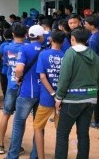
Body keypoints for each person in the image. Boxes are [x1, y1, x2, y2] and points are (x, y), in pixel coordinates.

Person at [54, 28, 99, 158]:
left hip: (72, 100)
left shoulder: (70, 53)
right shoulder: (95, 56)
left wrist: (59, 97)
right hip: (90, 99)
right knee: (83, 134)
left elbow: (64, 78)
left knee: (62, 133)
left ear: (73, 39)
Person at [6, 25, 45, 159]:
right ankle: (35, 155)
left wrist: (18, 78)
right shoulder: (46, 50)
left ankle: (12, 155)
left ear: (29, 35)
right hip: (42, 93)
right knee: (39, 126)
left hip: (27, 92)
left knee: (18, 123)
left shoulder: (25, 48)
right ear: (41, 37)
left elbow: (19, 69)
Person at [0, 23, 27, 155]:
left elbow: (6, 67)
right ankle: (16, 146)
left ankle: (0, 144)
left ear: (12, 34)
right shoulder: (28, 49)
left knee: (6, 114)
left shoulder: (7, 48)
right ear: (25, 34)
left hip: (11, 86)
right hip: (24, 88)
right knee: (20, 118)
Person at [35, 31, 66, 159]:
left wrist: (52, 93)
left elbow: (42, 76)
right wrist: (58, 95)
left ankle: (41, 157)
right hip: (62, 98)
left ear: (51, 39)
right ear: (63, 42)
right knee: (61, 130)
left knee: (38, 126)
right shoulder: (66, 55)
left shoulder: (43, 54)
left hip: (46, 98)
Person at [84, 14, 99, 129]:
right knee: (96, 95)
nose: (84, 24)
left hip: (96, 70)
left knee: (94, 95)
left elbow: (91, 58)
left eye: (86, 23)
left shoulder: (93, 40)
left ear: (92, 26)